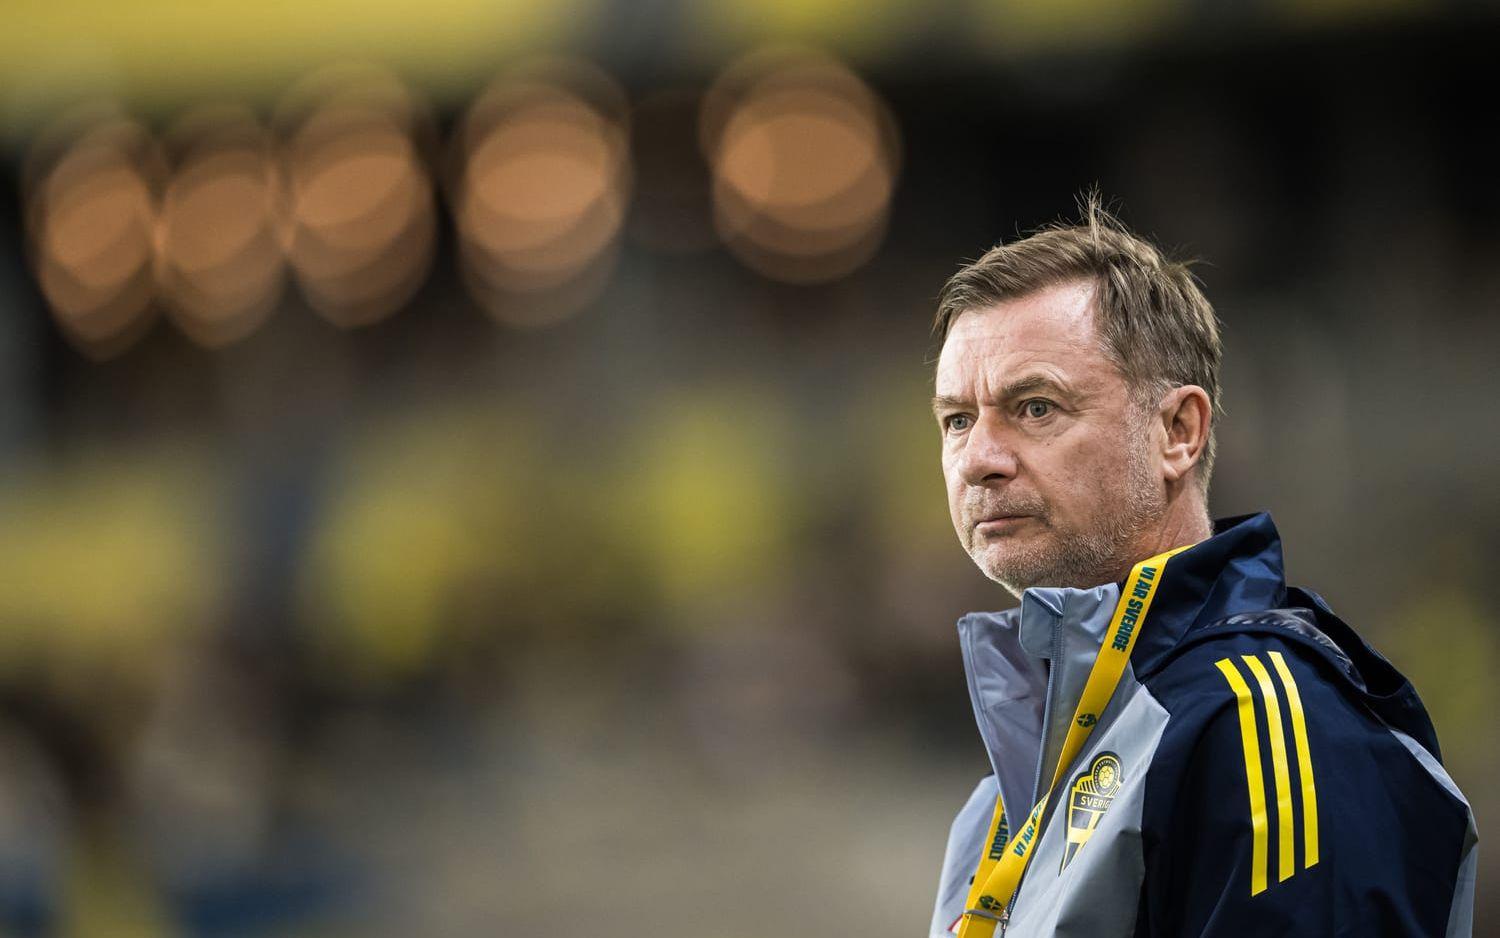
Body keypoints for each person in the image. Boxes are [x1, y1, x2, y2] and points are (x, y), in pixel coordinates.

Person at [926, 195, 1477, 937]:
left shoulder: (1266, 728)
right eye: (958, 420)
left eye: (1036, 407)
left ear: (1178, 432)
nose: (979, 459)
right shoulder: (1001, 800)